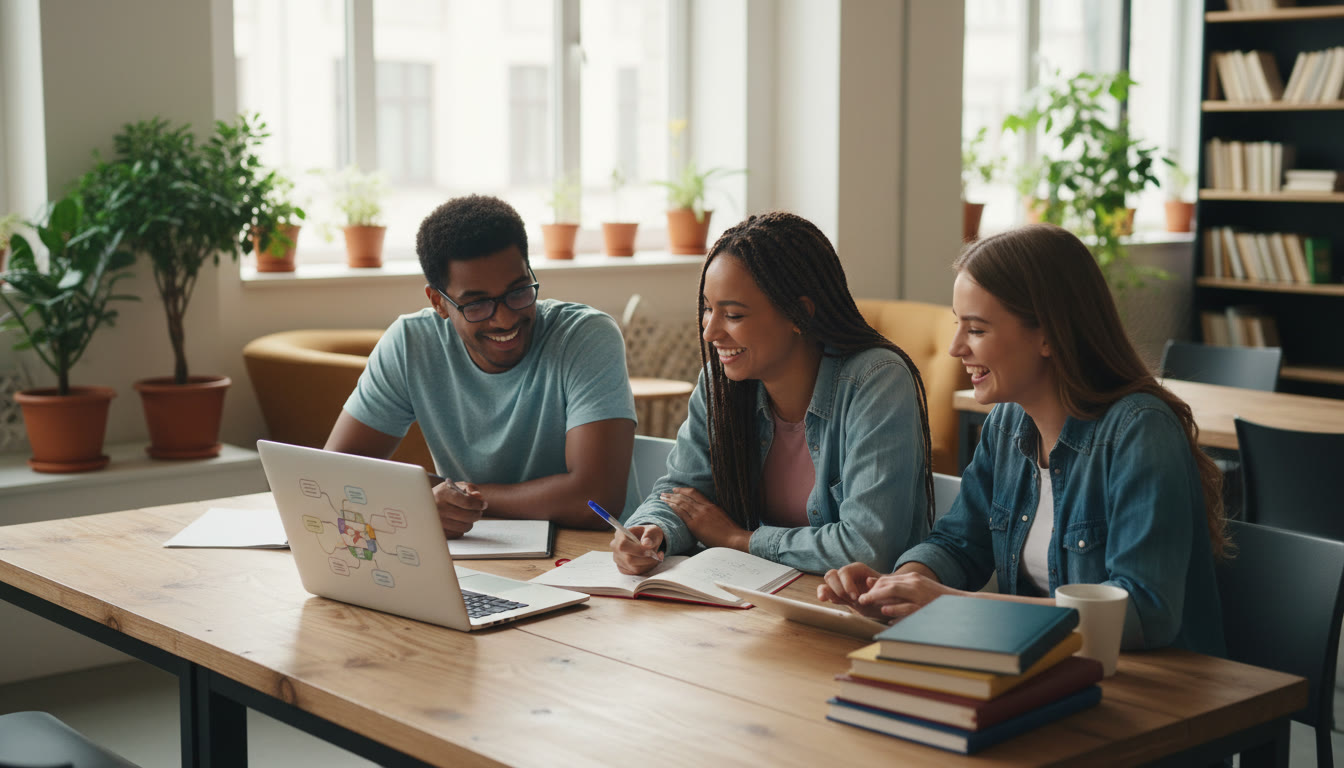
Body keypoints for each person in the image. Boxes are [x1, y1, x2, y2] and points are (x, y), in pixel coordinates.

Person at [820, 224, 1228, 656]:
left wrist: (956, 606)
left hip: (1164, 695)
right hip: (1053, 671)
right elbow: (960, 543)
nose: (956, 347)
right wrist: (897, 585)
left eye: (976, 330)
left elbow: (1145, 613)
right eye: (959, 326)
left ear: (1049, 335)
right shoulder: (1007, 423)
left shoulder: (1139, 432)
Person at [612, 211, 935, 576]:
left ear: (799, 314)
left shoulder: (876, 381)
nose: (709, 332)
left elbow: (868, 548)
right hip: (759, 603)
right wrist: (653, 530)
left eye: (732, 315)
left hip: (858, 615)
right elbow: (682, 493)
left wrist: (739, 539)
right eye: (707, 309)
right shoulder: (719, 384)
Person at [325, 194, 637, 537]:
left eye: (519, 292)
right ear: (438, 303)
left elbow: (596, 500)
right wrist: (427, 498)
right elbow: (337, 471)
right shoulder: (410, 344)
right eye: (477, 304)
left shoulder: (584, 336)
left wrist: (456, 497)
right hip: (475, 553)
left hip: (586, 558)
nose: (504, 319)